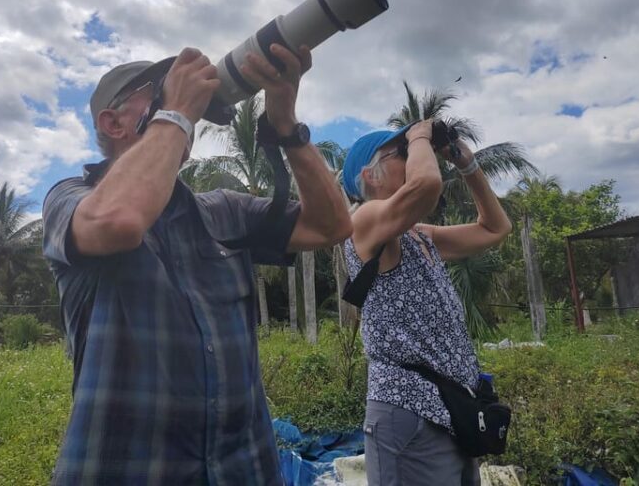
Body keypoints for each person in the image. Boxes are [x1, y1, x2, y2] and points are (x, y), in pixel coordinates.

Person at [42, 44, 352, 485]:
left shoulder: (224, 211)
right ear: (112, 123)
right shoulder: (72, 199)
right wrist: (176, 111)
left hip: (245, 470)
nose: (176, 100)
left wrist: (285, 124)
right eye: (158, 93)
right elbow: (119, 220)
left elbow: (332, 226)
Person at [341, 119, 512, 486]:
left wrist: (466, 164)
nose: (412, 156)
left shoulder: (420, 236)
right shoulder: (363, 220)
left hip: (453, 407)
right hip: (409, 410)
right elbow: (426, 186)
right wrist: (418, 134)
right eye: (400, 153)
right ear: (371, 176)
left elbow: (495, 228)